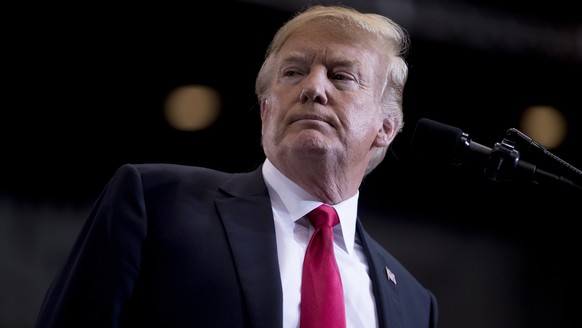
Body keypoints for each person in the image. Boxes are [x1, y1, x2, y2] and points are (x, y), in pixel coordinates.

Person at [36, 4, 438, 328]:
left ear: (385, 127)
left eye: (341, 76)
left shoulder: (416, 305)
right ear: (266, 111)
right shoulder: (156, 202)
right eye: (293, 72)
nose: (313, 88)